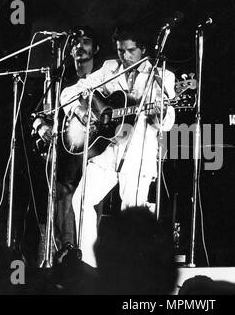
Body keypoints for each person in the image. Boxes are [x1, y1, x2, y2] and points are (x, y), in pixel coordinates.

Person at [60, 23, 176, 267]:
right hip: (108, 149)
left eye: (130, 51)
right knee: (80, 200)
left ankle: (132, 274)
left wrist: (159, 114)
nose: (124, 57)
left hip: (138, 153)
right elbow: (70, 93)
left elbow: (166, 122)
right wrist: (81, 113)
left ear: (143, 49)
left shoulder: (161, 75)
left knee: (132, 214)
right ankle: (88, 267)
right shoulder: (109, 68)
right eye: (120, 50)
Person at [31, 25, 101, 251]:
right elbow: (37, 115)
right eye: (76, 42)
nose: (80, 46)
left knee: (88, 197)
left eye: (87, 41)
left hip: (94, 151)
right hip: (63, 152)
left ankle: (86, 253)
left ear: (96, 48)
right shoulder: (59, 78)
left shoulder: (103, 79)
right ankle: (66, 251)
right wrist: (41, 126)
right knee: (63, 193)